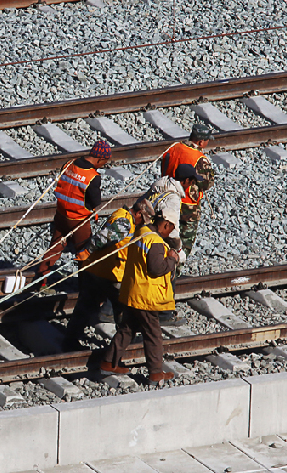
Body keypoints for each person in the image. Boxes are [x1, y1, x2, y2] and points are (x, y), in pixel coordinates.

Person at [100, 209, 180, 386]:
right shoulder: (156, 242)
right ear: (165, 224)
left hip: (132, 292)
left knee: (127, 329)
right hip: (146, 297)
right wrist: (172, 260)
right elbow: (156, 268)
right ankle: (156, 373)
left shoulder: (142, 232)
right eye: (170, 229)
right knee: (153, 335)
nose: (169, 234)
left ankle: (108, 362)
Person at [64, 198, 154, 346]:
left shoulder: (121, 214)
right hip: (112, 275)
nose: (142, 223)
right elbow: (104, 237)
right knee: (125, 312)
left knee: (85, 306)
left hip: (96, 269)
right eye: (142, 219)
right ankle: (126, 342)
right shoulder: (125, 223)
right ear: (138, 213)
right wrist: (87, 251)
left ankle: (70, 340)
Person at [35, 140, 112, 283]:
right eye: (105, 162)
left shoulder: (69, 164)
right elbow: (95, 202)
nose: (104, 165)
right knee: (84, 252)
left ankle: (41, 281)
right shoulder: (93, 177)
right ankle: (85, 284)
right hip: (78, 220)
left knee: (54, 249)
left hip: (61, 215)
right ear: (100, 158)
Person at [143, 163, 205, 326]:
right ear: (185, 181)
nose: (192, 185)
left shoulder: (161, 183)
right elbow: (171, 229)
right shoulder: (173, 199)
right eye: (191, 181)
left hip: (145, 231)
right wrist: (178, 251)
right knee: (169, 268)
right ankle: (165, 313)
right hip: (157, 238)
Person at [161, 123, 215, 256]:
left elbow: (163, 167)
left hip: (167, 197)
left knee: (167, 236)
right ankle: (175, 269)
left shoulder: (173, 148)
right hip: (188, 205)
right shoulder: (199, 158)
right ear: (201, 142)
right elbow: (207, 184)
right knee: (184, 242)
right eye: (207, 141)